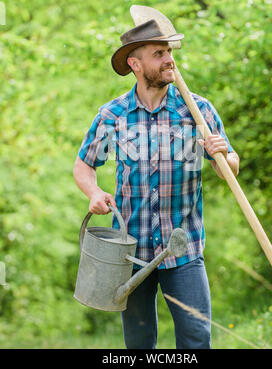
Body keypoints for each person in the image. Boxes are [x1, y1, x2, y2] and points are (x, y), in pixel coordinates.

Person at [73, 19, 240, 349]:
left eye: (169, 52)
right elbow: (84, 164)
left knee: (195, 339)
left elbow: (229, 168)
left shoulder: (197, 110)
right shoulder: (113, 115)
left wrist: (224, 155)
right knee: (138, 342)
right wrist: (93, 191)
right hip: (130, 253)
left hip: (184, 248)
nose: (169, 60)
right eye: (158, 53)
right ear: (135, 64)